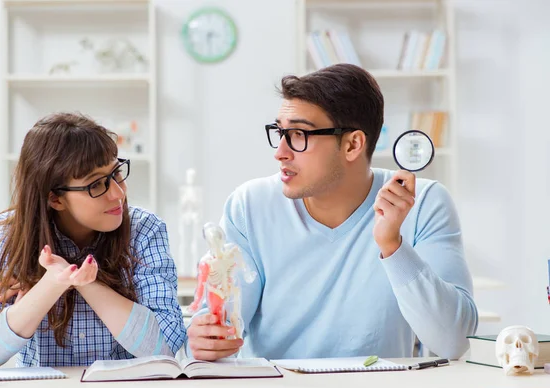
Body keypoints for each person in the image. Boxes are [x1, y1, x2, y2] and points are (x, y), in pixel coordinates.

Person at [187, 63, 478, 361]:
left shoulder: (423, 203)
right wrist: (205, 338)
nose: (280, 152)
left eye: (299, 134)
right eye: (280, 132)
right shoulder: (249, 205)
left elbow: (454, 341)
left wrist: (392, 245)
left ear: (353, 144)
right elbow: (223, 325)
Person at [0, 113, 185, 367]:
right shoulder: (8, 238)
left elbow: (166, 347)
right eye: (96, 185)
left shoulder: (144, 230)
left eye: (116, 173)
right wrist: (52, 283)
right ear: (55, 199)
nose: (118, 193)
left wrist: (85, 283)